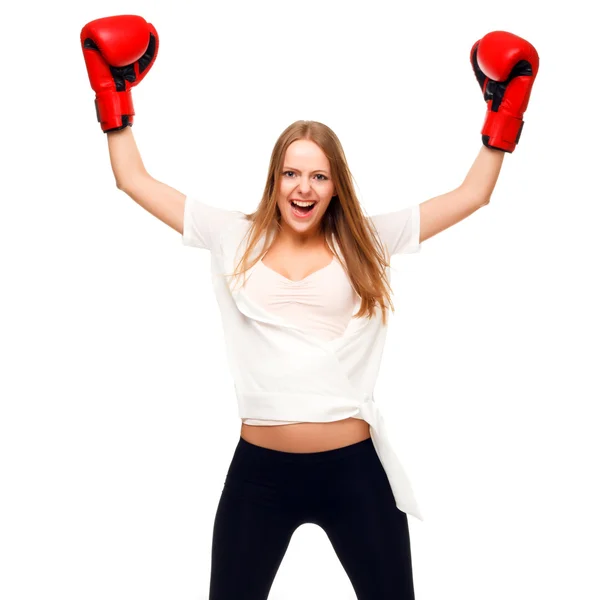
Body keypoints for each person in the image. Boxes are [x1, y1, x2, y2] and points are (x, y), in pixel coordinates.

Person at [81, 15, 539, 600]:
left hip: (354, 472)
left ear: (334, 184)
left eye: (318, 176)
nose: (303, 188)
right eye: (291, 173)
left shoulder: (367, 239)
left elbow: (473, 195)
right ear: (274, 179)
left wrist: (503, 113)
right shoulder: (231, 235)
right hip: (260, 475)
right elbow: (132, 179)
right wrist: (112, 93)